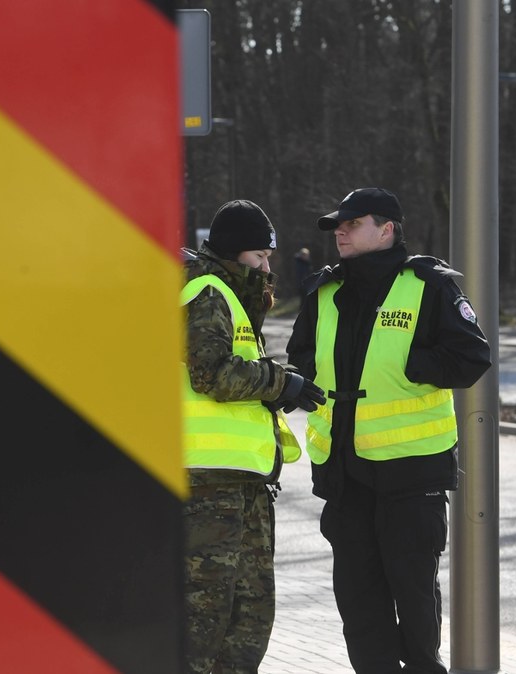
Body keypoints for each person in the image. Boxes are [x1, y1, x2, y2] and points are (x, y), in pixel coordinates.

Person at [285, 188, 491, 674]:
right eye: (339, 225)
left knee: (414, 600)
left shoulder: (428, 286)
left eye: (353, 224)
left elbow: (471, 357)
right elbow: (301, 356)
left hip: (411, 474)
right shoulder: (325, 291)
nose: (340, 231)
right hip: (344, 473)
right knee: (358, 604)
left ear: (387, 229)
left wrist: (410, 366)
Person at [182, 199, 326, 674]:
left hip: (244, 485)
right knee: (203, 624)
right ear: (232, 252)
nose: (267, 269)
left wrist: (276, 385)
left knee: (250, 619)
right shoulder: (206, 291)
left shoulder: (232, 295)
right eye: (259, 257)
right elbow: (213, 374)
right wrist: (282, 383)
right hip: (206, 486)